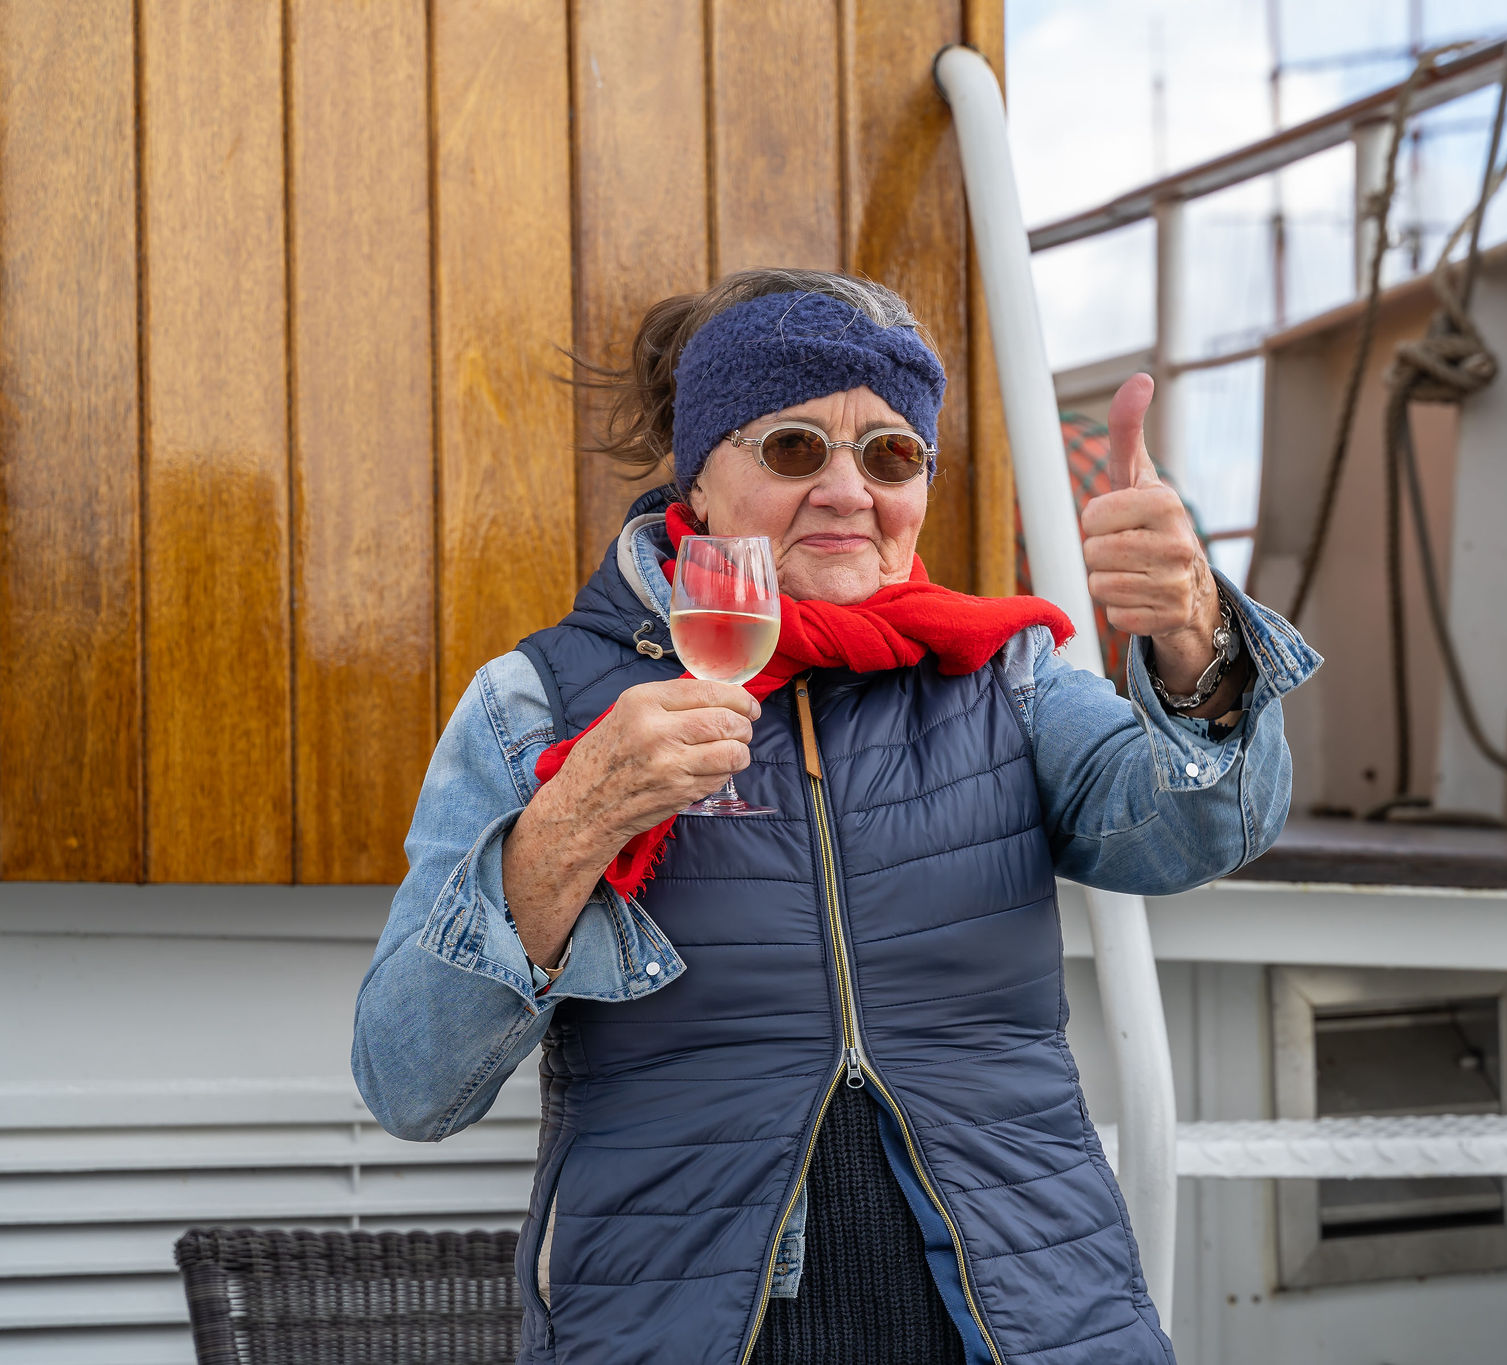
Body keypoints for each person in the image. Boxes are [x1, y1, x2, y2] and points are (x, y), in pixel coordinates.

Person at [352, 268, 1319, 1365]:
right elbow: (410, 1080)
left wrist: (1194, 637)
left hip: (1028, 1319)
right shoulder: (538, 703)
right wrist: (571, 823)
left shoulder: (1003, 672)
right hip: (680, 1329)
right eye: (794, 448)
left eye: (890, 455)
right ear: (699, 476)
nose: (847, 491)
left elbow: (1197, 833)